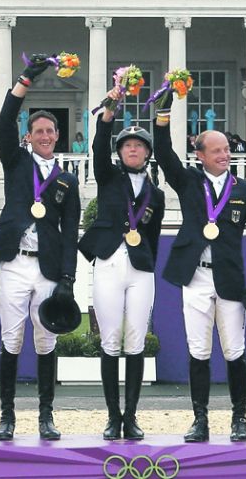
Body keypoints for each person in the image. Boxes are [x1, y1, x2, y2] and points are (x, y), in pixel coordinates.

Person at [153, 93, 246, 443]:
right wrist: (163, 114)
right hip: (194, 276)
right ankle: (200, 420)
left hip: (229, 277)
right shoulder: (188, 183)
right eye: (217, 150)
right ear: (201, 155)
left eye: (227, 149)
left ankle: (240, 418)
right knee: (198, 351)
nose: (225, 155)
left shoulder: (244, 189)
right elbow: (164, 155)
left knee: (234, 351)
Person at [0, 53, 81, 441]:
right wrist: (26, 78)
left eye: (50, 131)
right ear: (29, 136)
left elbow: (71, 230)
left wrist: (68, 279)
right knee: (11, 340)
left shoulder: (67, 181)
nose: (44, 136)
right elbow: (4, 121)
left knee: (45, 341)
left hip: (46, 267)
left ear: (57, 136)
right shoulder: (17, 162)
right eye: (37, 131)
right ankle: (7, 416)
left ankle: (46, 415)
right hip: (13, 262)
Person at [78, 87, 165, 440]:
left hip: (140, 268)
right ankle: (113, 416)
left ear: (146, 153)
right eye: (127, 145)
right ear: (120, 152)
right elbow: (99, 145)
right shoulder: (109, 177)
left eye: (139, 145)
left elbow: (155, 235)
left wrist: (147, 261)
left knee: (135, 340)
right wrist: (110, 111)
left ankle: (132, 416)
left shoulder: (156, 194)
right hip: (110, 262)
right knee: (110, 339)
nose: (133, 148)